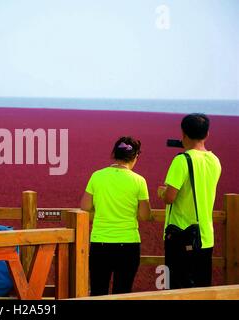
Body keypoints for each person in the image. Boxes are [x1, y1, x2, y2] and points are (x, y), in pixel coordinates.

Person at [81, 136, 151, 296]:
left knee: (98, 291)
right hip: (128, 244)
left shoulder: (97, 176)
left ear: (114, 153)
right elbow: (145, 215)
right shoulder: (139, 181)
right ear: (135, 157)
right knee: (123, 292)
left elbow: (85, 207)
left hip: (100, 243)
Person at [158, 113, 221, 289]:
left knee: (176, 290)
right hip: (205, 237)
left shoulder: (182, 160)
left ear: (183, 134)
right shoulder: (215, 161)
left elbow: (170, 197)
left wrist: (161, 192)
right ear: (207, 134)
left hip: (180, 236)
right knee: (201, 290)